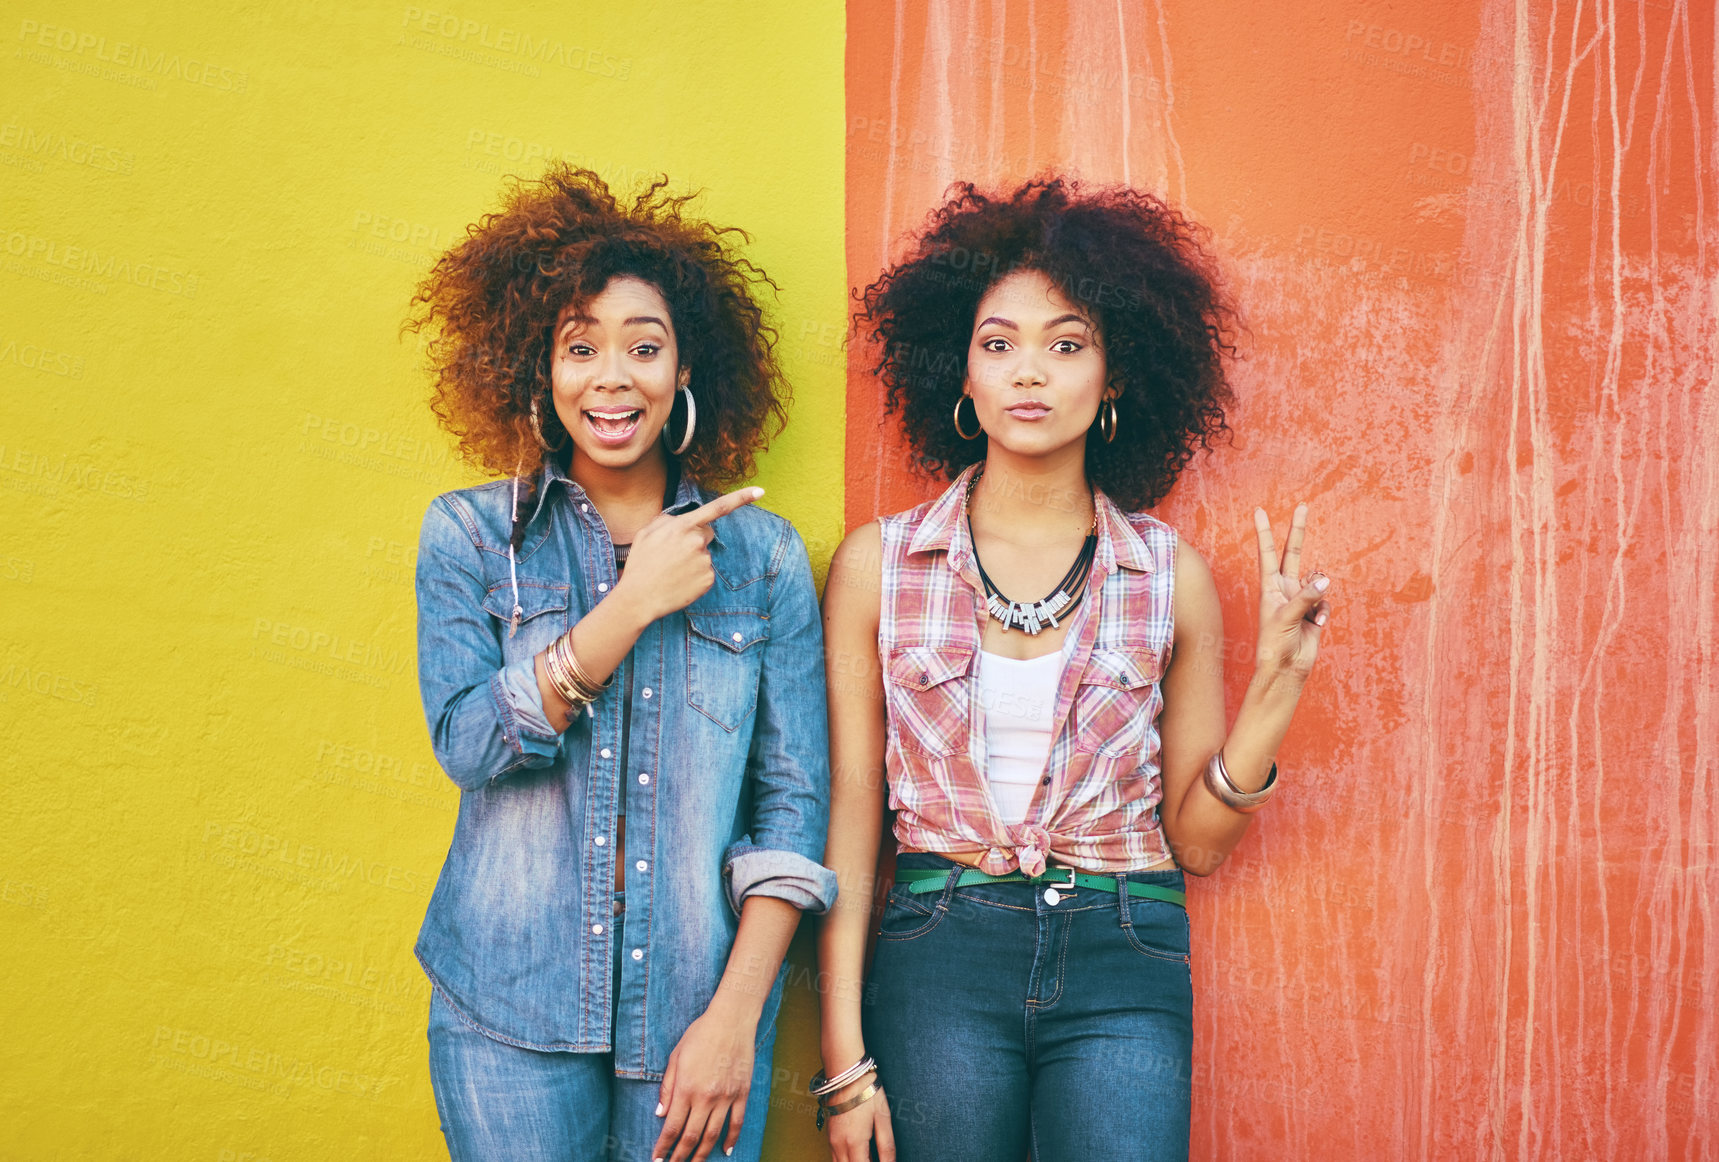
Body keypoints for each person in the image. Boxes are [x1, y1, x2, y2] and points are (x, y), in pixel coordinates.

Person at [815, 176, 1333, 1161]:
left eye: (1067, 343)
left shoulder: (1167, 576)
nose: (1029, 372)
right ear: (959, 376)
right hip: (938, 951)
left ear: (1116, 378)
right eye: (997, 343)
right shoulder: (876, 568)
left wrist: (1275, 687)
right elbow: (850, 820)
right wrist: (844, 1061)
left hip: (1122, 947)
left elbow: (1202, 842)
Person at [407, 164, 836, 1162]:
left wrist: (738, 1018)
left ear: (684, 370)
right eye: (581, 347)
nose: (613, 377)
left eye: (645, 348)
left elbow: (792, 808)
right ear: (541, 371)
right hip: (501, 1016)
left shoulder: (763, 557)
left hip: (694, 1023)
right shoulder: (468, 537)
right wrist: (631, 603)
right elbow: (471, 743)